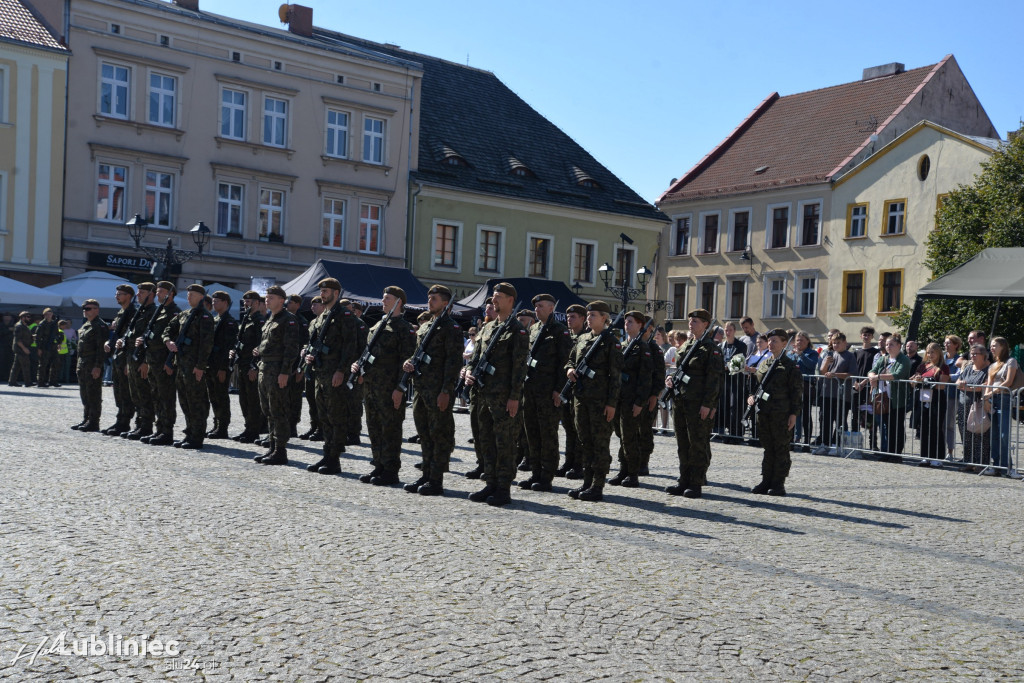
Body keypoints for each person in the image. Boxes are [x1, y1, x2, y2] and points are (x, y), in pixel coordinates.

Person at [464, 283, 528, 507]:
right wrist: (469, 373)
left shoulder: (517, 330)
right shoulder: (488, 328)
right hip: (483, 394)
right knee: (486, 440)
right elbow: (475, 358)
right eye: (493, 296)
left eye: (499, 297)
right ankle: (490, 482)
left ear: (510, 300)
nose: (494, 300)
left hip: (503, 398)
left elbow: (520, 368)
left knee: (505, 443)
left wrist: (514, 397)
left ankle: (503, 488)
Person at [350, 287, 416, 486]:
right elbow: (368, 353)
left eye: (387, 298)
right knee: (374, 427)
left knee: (391, 429)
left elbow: (407, 361)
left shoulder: (404, 328)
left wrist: (400, 388)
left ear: (399, 302)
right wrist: (358, 366)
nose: (383, 301)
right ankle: (378, 464)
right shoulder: (378, 325)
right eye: (383, 297)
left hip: (389, 388)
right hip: (371, 386)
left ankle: (390, 470)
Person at [402, 284, 464, 496]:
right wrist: (409, 363)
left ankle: (436, 480)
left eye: (434, 299)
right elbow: (418, 353)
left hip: (438, 390)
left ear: (445, 303)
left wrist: (446, 391)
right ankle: (426, 473)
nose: (430, 302)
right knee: (425, 434)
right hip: (421, 388)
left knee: (439, 434)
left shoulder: (451, 328)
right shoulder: (427, 326)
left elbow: (453, 362)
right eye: (429, 298)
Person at [563, 300, 622, 502]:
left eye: (593, 315)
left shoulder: (611, 341)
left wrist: (611, 404)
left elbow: (615, 376)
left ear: (605, 318)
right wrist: (570, 370)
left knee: (599, 443)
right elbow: (571, 360)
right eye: (588, 315)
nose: (589, 318)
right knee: (585, 442)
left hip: (600, 401)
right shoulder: (583, 338)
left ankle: (598, 484)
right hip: (581, 398)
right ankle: (587, 482)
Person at [664, 309, 723, 499]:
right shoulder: (688, 345)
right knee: (683, 443)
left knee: (697, 443)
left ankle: (696, 483)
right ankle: (684, 480)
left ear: (706, 324)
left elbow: (714, 380)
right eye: (690, 321)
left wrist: (708, 404)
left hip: (698, 403)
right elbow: (681, 369)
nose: (691, 324)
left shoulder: (710, 348)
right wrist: (671, 379)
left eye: (696, 321)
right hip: (681, 400)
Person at [303, 278, 359, 475]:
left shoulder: (345, 316)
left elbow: (350, 346)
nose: (322, 294)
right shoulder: (320, 318)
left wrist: (341, 370)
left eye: (326, 291)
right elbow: (313, 342)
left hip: (335, 374)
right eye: (322, 291)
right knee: (324, 417)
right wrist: (309, 354)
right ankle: (327, 454)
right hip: (320, 373)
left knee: (336, 417)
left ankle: (334, 459)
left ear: (336, 293)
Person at [519, 294, 572, 492]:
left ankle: (546, 476)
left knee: (547, 434)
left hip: (549, 392)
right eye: (535, 306)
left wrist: (559, 389)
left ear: (551, 308)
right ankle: (535, 472)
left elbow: (564, 362)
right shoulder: (533, 329)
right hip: (530, 390)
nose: (537, 309)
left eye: (541, 306)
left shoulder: (560, 331)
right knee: (531, 433)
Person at [747, 329, 802, 496]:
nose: (771, 344)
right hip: (764, 412)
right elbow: (755, 385)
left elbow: (796, 392)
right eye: (769, 341)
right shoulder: (764, 364)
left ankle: (778, 483)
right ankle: (766, 480)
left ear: (784, 344)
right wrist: (750, 396)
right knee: (768, 448)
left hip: (781, 413)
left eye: (775, 341)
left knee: (781, 448)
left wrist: (793, 414)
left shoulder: (790, 365)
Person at [253, 286, 302, 465]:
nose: (267, 300)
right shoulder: (269, 319)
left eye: (271, 297)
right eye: (267, 297)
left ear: (282, 301)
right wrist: (259, 350)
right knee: (268, 410)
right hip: (265, 367)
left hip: (277, 370)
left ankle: (280, 451)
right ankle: (272, 447)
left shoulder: (288, 320)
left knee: (278, 410)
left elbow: (291, 349)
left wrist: (284, 372)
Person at [163, 284, 215, 449]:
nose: (189, 297)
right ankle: (189, 432)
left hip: (194, 366)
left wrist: (200, 366)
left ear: (201, 297)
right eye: (188, 294)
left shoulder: (205, 317)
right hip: (182, 364)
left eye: (192, 294)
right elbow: (167, 330)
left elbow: (206, 345)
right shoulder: (184, 315)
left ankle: (197, 436)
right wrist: (168, 342)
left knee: (196, 401)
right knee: (185, 401)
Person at [610, 311, 653, 488]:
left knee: (630, 437)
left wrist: (640, 402)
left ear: (640, 325)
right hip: (619, 397)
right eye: (626, 321)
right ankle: (623, 469)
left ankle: (633, 473)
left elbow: (645, 379)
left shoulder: (643, 348)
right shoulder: (621, 345)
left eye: (630, 322)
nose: (626, 324)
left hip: (632, 399)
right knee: (621, 436)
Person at [140, 282, 181, 446]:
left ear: (170, 294)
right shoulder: (159, 311)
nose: (158, 295)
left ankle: (167, 431)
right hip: (153, 360)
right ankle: (159, 429)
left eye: (162, 292)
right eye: (157, 292)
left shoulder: (175, 313)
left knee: (166, 397)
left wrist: (170, 361)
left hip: (164, 361)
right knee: (156, 396)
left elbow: (175, 339)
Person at [121, 283, 158, 439]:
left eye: (142, 292)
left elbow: (152, 340)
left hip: (142, 360)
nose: (138, 295)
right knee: (136, 394)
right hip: (132, 358)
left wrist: (146, 362)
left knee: (145, 395)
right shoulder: (140, 312)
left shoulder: (153, 312)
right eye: (138, 292)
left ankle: (146, 426)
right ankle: (139, 424)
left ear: (151, 294)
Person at [982, 336, 1021, 477]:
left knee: (1004, 434)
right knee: (994, 435)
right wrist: (986, 397)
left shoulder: (1011, 361)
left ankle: (1007, 466)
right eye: (991, 346)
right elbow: (989, 383)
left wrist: (991, 392)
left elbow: (1009, 381)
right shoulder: (993, 365)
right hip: (993, 400)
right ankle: (996, 464)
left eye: (994, 345)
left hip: (1004, 399)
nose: (992, 348)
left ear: (1003, 347)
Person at [231, 291, 266, 443]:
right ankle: (248, 427)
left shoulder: (259, 321)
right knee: (244, 399)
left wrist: (254, 367)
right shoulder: (246, 319)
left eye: (249, 301)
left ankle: (254, 430)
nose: (246, 304)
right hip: (242, 365)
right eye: (245, 301)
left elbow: (261, 347)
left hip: (251, 366)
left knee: (253, 400)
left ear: (257, 303)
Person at [868, 336, 912, 458]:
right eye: (887, 344)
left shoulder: (903, 359)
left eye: (891, 344)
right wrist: (872, 376)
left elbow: (897, 375)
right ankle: (886, 451)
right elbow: (872, 370)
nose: (888, 346)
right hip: (883, 398)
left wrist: (878, 377)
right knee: (885, 426)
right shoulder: (884, 358)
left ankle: (895, 453)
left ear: (899, 345)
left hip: (897, 399)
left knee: (896, 426)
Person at [102, 284, 138, 435]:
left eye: (120, 294)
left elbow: (133, 336)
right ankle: (120, 420)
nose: (117, 296)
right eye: (116, 293)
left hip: (126, 357)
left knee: (125, 392)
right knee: (118, 390)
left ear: (129, 296)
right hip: (117, 355)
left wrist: (129, 362)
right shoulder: (121, 312)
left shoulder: (133, 313)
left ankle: (124, 422)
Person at [557, 303, 587, 479]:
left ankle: (578, 464)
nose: (569, 319)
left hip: (580, 391)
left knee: (578, 429)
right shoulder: (566, 337)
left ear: (583, 319)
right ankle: (569, 461)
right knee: (569, 428)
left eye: (573, 316)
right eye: (568, 316)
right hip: (566, 389)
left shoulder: (587, 338)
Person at [910, 342, 950, 466]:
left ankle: (937, 457)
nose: (930, 354)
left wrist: (926, 382)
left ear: (939, 353)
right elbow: (911, 382)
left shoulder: (943, 367)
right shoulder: (923, 366)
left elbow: (942, 386)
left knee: (936, 429)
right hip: (923, 399)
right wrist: (916, 380)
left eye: (933, 352)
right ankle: (925, 456)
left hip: (937, 400)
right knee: (924, 429)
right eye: (928, 352)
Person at [205, 291, 238, 439]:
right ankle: (216, 424)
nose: (213, 303)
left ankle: (222, 427)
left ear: (225, 302)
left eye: (217, 301)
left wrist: (224, 368)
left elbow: (228, 347)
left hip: (220, 366)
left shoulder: (229, 321)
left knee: (221, 396)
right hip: (211, 364)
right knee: (213, 396)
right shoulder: (215, 319)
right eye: (213, 301)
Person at [70, 300, 107, 431]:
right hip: (83, 364)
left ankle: (93, 422)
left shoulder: (99, 326)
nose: (85, 310)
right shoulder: (86, 325)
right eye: (84, 308)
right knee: (84, 394)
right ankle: (86, 419)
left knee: (93, 394)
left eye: (88, 308)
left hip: (92, 365)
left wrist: (98, 366)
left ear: (96, 310)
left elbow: (100, 349)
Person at [816, 332, 855, 455]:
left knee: (839, 420)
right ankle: (825, 444)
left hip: (842, 394)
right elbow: (822, 372)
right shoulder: (829, 354)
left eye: (838, 342)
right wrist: (826, 364)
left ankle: (836, 445)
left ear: (844, 343)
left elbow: (852, 374)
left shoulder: (850, 356)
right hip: (827, 392)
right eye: (834, 342)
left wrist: (835, 375)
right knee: (825, 420)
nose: (835, 345)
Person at [955, 344, 991, 470]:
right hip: (963, 405)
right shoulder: (969, 368)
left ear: (984, 355)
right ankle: (968, 460)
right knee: (965, 434)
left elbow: (986, 385)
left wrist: (968, 387)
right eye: (972, 353)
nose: (973, 356)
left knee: (981, 434)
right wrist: (961, 383)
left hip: (978, 406)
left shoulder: (988, 369)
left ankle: (981, 463)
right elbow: (958, 381)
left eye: (976, 353)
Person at [787, 331, 819, 451]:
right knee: (791, 414)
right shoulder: (791, 353)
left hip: (805, 387)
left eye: (802, 340)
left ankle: (806, 443)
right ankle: (792, 440)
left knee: (805, 415)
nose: (799, 342)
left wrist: (801, 355)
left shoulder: (812, 353)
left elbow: (811, 366)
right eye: (797, 340)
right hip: (792, 387)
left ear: (807, 342)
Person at [299, 296, 325, 441]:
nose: (313, 306)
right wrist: (304, 350)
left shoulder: (328, 321)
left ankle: (321, 428)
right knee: (310, 398)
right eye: (312, 304)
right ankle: (314, 426)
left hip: (321, 365)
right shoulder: (313, 322)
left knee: (319, 400)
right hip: (310, 364)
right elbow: (309, 342)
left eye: (317, 304)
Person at [717, 322, 748, 443]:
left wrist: (725, 366)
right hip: (724, 381)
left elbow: (739, 364)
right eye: (725, 330)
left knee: (735, 407)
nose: (727, 332)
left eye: (729, 330)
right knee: (724, 406)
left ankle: (736, 434)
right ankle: (727, 432)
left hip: (736, 381)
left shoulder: (741, 345)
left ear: (734, 331)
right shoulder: (720, 346)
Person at [345, 299, 368, 446]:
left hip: (355, 370)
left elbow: (364, 350)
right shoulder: (345, 324)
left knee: (354, 404)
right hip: (343, 368)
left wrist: (361, 373)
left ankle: (354, 434)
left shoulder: (360, 325)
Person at [286, 293, 308, 438]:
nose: (288, 304)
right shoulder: (282, 318)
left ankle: (292, 426)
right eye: (287, 301)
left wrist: (301, 368)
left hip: (296, 366)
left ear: (298, 305)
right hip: (283, 366)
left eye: (291, 302)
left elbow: (305, 347)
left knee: (294, 398)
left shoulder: (302, 321)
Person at [33, 307, 61, 387]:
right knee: (43, 364)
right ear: (44, 315)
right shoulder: (42, 324)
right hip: (44, 346)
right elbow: (38, 337)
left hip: (53, 346)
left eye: (50, 314)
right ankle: (41, 382)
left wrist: (58, 343)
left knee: (56, 363)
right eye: (47, 314)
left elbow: (57, 334)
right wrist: (39, 348)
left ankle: (53, 381)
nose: (49, 315)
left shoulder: (54, 324)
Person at [8, 311, 33, 386]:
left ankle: (12, 381)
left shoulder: (24, 326)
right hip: (21, 349)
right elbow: (18, 340)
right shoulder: (19, 326)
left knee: (16, 366)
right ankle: (28, 382)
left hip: (21, 348)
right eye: (27, 317)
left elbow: (25, 337)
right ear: (22, 318)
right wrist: (24, 348)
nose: (29, 318)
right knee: (26, 365)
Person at [0, 312, 13, 381]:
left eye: (8, 316)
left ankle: (8, 377)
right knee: (1, 362)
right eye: (5, 316)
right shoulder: (1, 325)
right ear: (3, 317)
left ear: (10, 318)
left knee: (10, 362)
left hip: (10, 347)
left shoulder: (14, 325)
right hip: (2, 347)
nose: (7, 318)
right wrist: (8, 330)